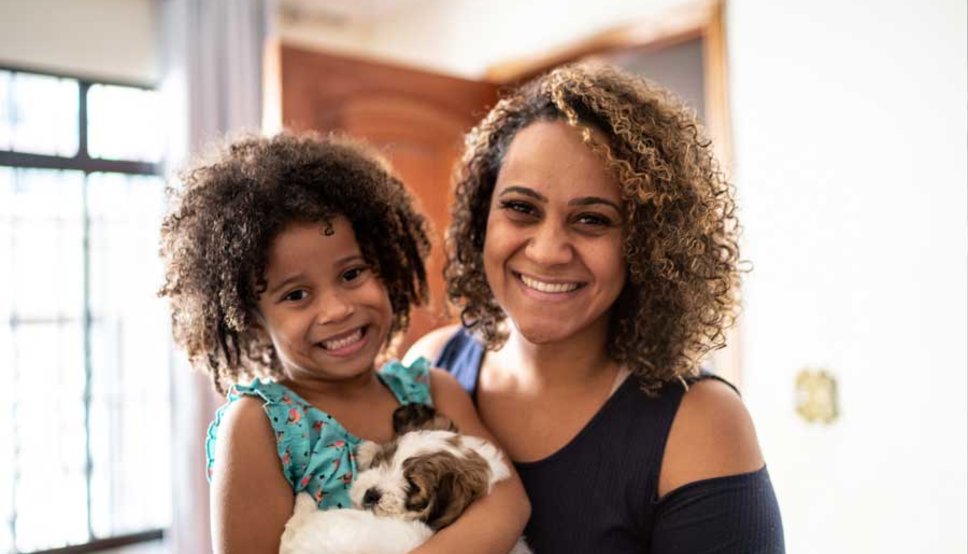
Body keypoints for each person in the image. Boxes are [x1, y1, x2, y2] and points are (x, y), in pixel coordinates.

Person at [405, 63, 784, 553]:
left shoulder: (700, 424)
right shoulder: (430, 367)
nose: (547, 250)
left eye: (591, 219)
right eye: (521, 208)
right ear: (483, 219)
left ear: (647, 245)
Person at [159, 132, 529, 553]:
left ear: (386, 266)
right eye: (296, 295)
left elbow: (507, 502)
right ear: (253, 321)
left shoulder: (436, 391)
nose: (335, 310)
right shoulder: (257, 427)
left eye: (352, 274)